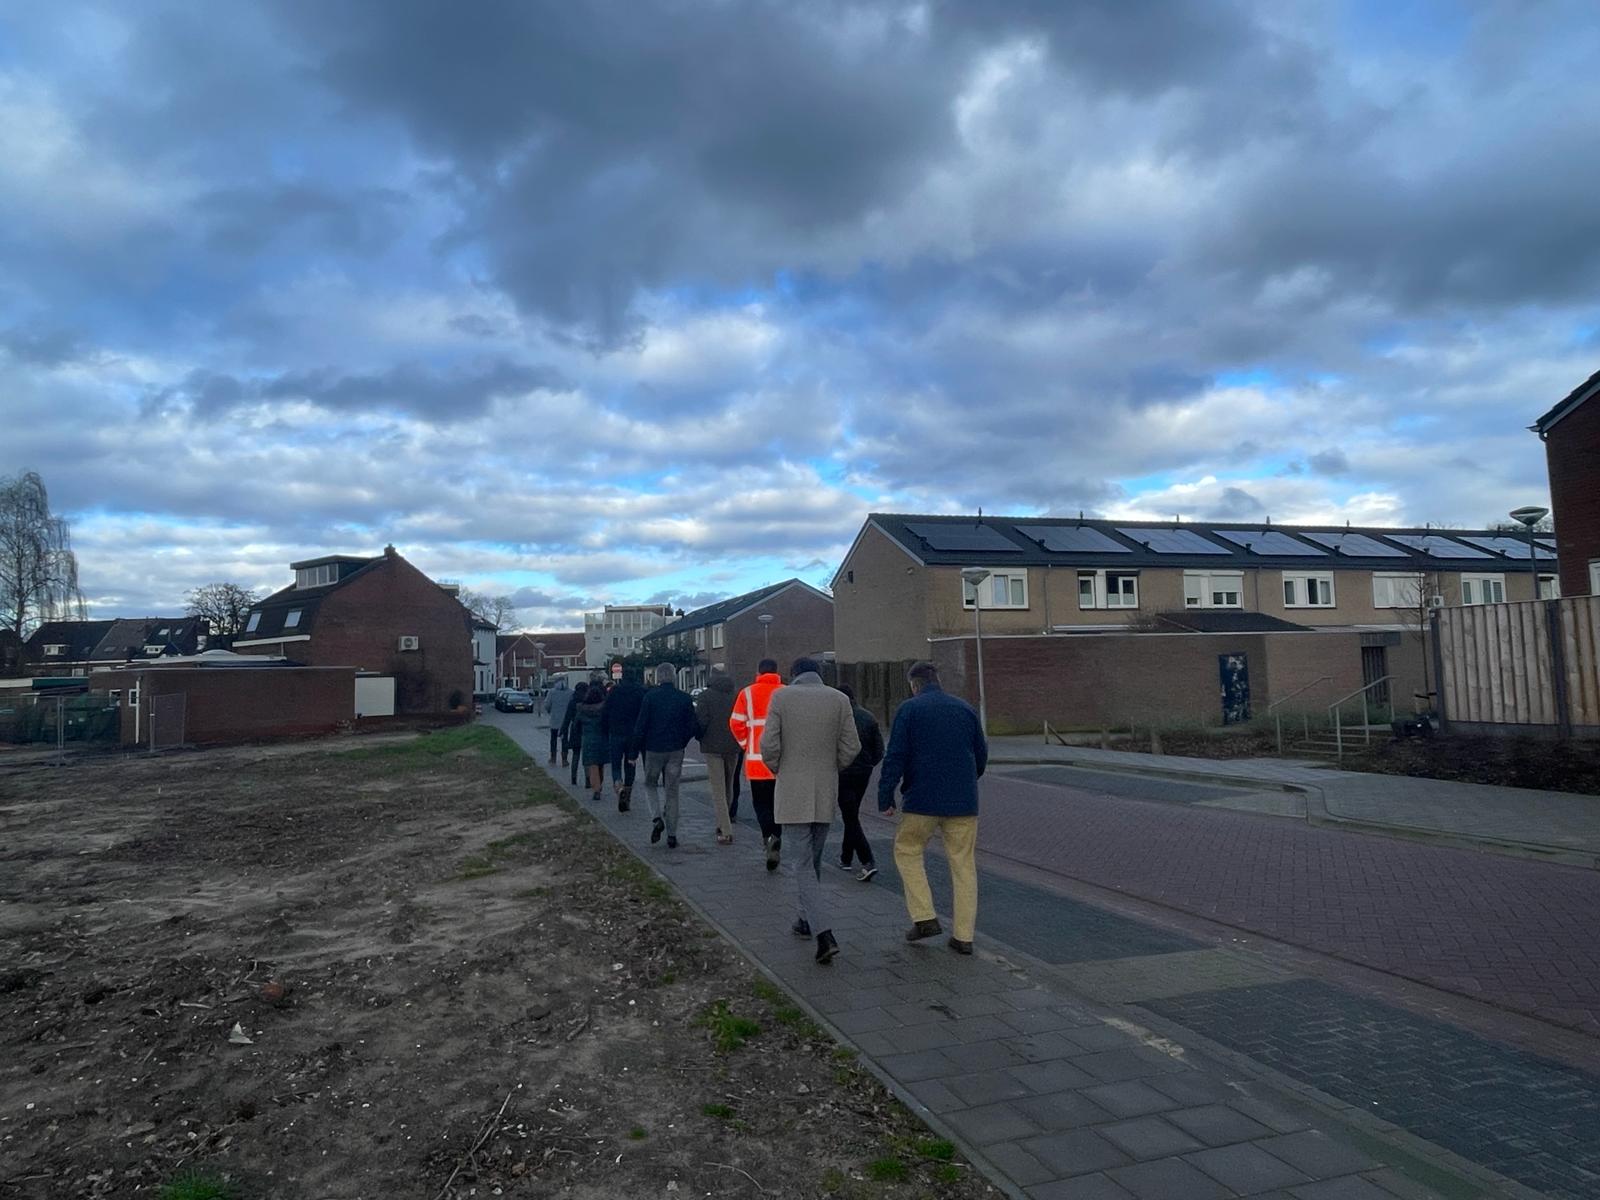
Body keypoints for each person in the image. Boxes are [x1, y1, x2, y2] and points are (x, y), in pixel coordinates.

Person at [877, 660, 988, 956]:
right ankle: (964, 937)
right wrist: (964, 782)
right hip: (964, 803)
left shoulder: (909, 710)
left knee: (908, 850)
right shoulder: (965, 709)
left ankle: (924, 917)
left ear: (914, 685)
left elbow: (896, 755)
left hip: (921, 801)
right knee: (963, 865)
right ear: (937, 680)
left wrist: (885, 795)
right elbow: (981, 756)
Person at [762, 657, 860, 965]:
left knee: (802, 864)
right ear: (818, 675)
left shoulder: (781, 697)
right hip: (824, 791)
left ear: (794, 675)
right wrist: (833, 769)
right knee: (813, 861)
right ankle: (805, 920)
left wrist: (782, 769)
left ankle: (824, 934)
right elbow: (852, 746)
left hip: (792, 791)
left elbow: (769, 746)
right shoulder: (839, 699)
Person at [630, 663, 698, 849]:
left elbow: (641, 725)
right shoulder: (684, 699)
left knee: (650, 784)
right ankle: (672, 835)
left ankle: (656, 818)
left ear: (658, 677)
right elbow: (693, 725)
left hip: (653, 749)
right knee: (672, 790)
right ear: (674, 677)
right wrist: (683, 741)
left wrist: (634, 751)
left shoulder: (650, 697)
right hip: (676, 750)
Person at [729, 658, 784, 870]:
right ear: (777, 671)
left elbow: (735, 723)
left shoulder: (747, 693)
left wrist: (746, 743)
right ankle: (777, 836)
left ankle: (767, 838)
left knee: (761, 804)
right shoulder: (785, 692)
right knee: (777, 804)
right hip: (781, 762)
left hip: (756, 761)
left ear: (759, 672)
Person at [834, 683, 885, 881]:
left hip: (843, 772)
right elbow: (879, 749)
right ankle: (846, 858)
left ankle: (867, 860)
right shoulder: (868, 716)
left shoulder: (837, 719)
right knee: (851, 813)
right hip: (863, 773)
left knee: (850, 817)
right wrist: (869, 764)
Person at [694, 667, 740, 845]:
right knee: (729, 785)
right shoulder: (736, 695)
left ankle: (725, 829)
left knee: (718, 789)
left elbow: (702, 721)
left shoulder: (705, 696)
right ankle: (723, 822)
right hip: (733, 745)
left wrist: (700, 736)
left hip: (712, 747)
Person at [601, 670, 645, 811]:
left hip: (616, 733)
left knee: (615, 765)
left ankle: (619, 787)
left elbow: (605, 711)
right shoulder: (640, 692)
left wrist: (605, 729)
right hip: (633, 734)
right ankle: (628, 795)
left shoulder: (614, 691)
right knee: (630, 764)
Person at [574, 682, 607, 802]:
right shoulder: (604, 709)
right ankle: (600, 784)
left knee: (592, 765)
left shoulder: (581, 709)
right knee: (601, 764)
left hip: (588, 739)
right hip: (602, 738)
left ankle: (596, 789)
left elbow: (576, 726)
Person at [543, 677, 574, 764]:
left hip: (554, 720)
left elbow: (547, 705)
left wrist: (550, 711)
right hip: (565, 722)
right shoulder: (571, 692)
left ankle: (553, 758)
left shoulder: (551, 692)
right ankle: (564, 759)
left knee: (553, 739)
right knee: (564, 740)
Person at [561, 682, 586, 784]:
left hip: (575, 730)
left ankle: (573, 778)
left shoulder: (572, 701)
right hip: (585, 729)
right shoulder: (587, 700)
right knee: (586, 757)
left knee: (575, 755)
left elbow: (567, 717)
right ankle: (588, 780)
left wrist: (563, 729)